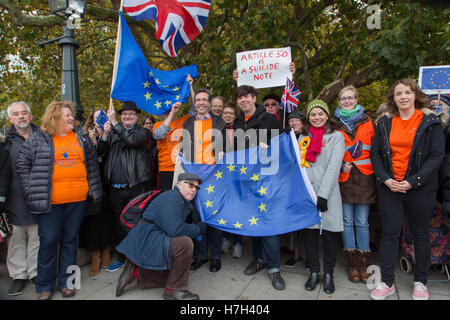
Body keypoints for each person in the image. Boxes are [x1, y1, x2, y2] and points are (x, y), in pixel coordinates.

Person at [15, 101, 103, 300]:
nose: (72, 118)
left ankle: (68, 283)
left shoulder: (80, 136)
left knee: (71, 241)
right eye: (67, 115)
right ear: (55, 117)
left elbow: (91, 165)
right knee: (48, 241)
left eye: (71, 115)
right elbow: (22, 164)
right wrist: (31, 189)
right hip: (50, 203)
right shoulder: (39, 138)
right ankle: (44, 286)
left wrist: (91, 189)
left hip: (78, 201)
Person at [370, 79, 445, 300]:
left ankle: (420, 282)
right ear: (393, 98)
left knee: (420, 235)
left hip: (420, 188)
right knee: (390, 235)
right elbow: (375, 154)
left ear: (415, 95)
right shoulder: (384, 123)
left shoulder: (431, 122)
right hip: (390, 187)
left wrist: (413, 181)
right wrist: (385, 179)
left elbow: (437, 155)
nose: (403, 96)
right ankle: (386, 282)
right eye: (398, 93)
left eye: (407, 92)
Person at [115, 173, 205, 300]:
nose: (194, 190)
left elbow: (171, 228)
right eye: (190, 185)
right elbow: (176, 230)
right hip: (146, 239)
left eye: (196, 187)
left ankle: (137, 272)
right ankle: (174, 291)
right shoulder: (172, 197)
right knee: (185, 244)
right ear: (179, 185)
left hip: (149, 237)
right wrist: (198, 228)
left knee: (173, 274)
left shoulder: (178, 199)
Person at [232, 85, 285, 290]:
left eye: (247, 97)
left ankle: (274, 267)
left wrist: (268, 148)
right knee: (253, 221)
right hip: (246, 179)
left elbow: (282, 147)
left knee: (268, 222)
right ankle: (258, 259)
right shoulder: (237, 122)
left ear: (254, 98)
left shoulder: (269, 119)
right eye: (240, 98)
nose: (243, 100)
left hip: (266, 179)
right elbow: (236, 150)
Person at [98, 101, 154, 273]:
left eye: (131, 114)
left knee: (137, 222)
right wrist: (105, 135)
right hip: (115, 188)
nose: (127, 116)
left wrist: (114, 124)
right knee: (119, 224)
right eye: (124, 114)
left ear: (137, 117)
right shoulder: (114, 133)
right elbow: (101, 152)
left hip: (135, 187)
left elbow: (131, 141)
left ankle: (138, 257)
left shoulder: (143, 132)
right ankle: (122, 257)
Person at [301, 100, 345, 295]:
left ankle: (328, 273)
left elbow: (333, 167)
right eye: (313, 114)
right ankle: (314, 272)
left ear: (327, 115)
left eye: (320, 113)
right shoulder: (303, 137)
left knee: (329, 235)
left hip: (329, 193)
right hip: (308, 193)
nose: (317, 117)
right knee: (309, 235)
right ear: (308, 117)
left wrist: (323, 195)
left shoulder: (336, 137)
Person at [181, 88, 226, 273]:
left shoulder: (219, 122)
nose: (200, 102)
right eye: (197, 100)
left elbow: (224, 146)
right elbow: (185, 147)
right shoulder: (188, 122)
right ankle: (200, 255)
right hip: (194, 176)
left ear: (209, 103)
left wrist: (223, 151)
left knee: (213, 216)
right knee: (197, 217)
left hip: (214, 176)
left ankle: (216, 256)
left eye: (204, 100)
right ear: (195, 103)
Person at [334, 85, 376, 283]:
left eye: (350, 98)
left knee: (362, 221)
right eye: (343, 99)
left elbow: (376, 149)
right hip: (344, 178)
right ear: (339, 102)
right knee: (347, 221)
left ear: (357, 99)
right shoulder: (334, 122)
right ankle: (352, 263)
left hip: (365, 177)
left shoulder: (369, 121)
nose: (347, 101)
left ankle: (364, 262)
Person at [4, 102, 39, 296]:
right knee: (17, 238)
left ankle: (34, 272)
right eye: (16, 114)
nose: (21, 117)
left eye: (24, 113)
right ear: (11, 119)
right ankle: (19, 275)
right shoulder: (5, 142)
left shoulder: (42, 137)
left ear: (31, 116)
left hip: (39, 197)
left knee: (36, 236)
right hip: (15, 197)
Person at [78, 109, 115, 276]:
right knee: (92, 222)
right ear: (92, 119)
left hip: (107, 183)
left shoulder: (111, 132)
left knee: (106, 220)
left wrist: (106, 134)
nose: (100, 118)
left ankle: (106, 251)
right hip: (91, 185)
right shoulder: (85, 135)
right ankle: (95, 256)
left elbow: (107, 153)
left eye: (103, 115)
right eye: (97, 116)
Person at [282, 110, 308, 267]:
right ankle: (296, 254)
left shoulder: (309, 138)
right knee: (294, 222)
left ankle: (307, 256)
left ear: (303, 123)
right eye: (290, 121)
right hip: (290, 184)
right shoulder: (287, 138)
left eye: (296, 120)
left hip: (305, 184)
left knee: (306, 224)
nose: (293, 123)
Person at [219, 102, 243, 258]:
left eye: (231, 113)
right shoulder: (217, 130)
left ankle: (238, 242)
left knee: (238, 207)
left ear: (235, 116)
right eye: (225, 113)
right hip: (222, 175)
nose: (228, 115)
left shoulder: (241, 130)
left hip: (238, 174)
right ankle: (227, 238)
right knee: (225, 206)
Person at [142, 114, 158, 189]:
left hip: (156, 169)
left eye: (150, 123)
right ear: (143, 125)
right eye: (146, 123)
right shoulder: (140, 138)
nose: (148, 125)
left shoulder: (157, 137)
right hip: (144, 170)